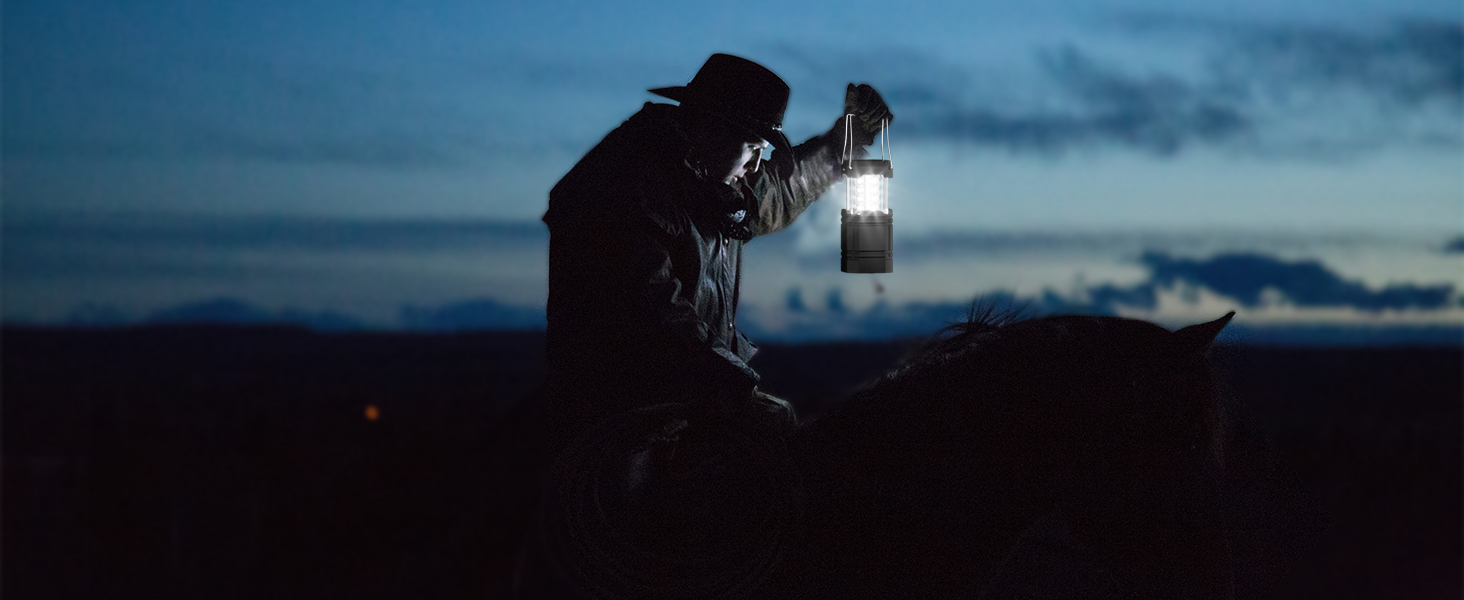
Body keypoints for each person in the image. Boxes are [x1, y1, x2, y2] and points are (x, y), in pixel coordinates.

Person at [541, 53, 893, 454]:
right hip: (619, 425)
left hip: (687, 404)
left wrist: (839, 145)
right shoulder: (624, 186)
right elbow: (648, 315)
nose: (756, 164)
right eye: (752, 146)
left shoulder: (711, 186)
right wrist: (737, 392)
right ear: (709, 128)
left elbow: (780, 187)